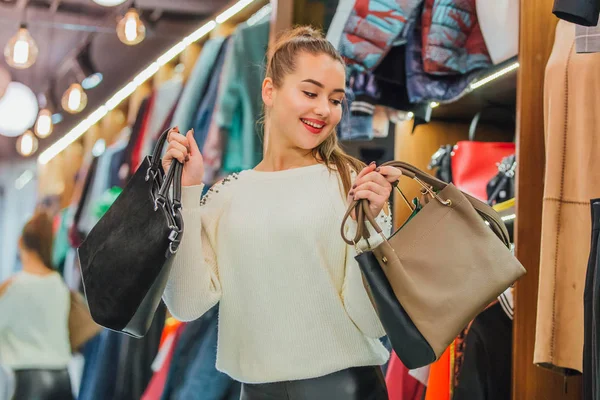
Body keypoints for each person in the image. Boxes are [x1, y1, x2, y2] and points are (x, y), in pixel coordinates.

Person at [162, 26, 402, 399]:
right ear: (269, 90)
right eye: (310, 92)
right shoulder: (227, 195)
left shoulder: (350, 184)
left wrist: (372, 226)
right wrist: (187, 193)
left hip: (345, 390)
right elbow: (187, 304)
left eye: (336, 99)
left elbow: (371, 322)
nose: (324, 109)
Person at [0, 211, 73, 400]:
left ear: (20, 242)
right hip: (63, 380)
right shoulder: (59, 284)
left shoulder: (14, 286)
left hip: (29, 384)